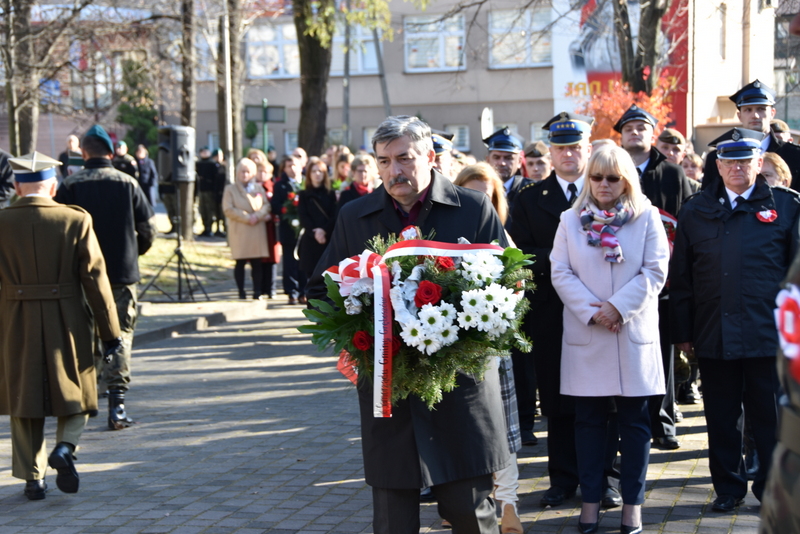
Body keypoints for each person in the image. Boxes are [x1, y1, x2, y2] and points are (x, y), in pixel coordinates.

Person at [307, 115, 510, 534]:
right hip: (389, 387)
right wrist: (358, 322)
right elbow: (321, 290)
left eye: (404, 158)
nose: (393, 171)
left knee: (470, 513)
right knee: (393, 516)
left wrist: (465, 327)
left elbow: (511, 286)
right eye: (383, 161)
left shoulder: (472, 208)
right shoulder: (354, 216)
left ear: (431, 157)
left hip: (458, 386)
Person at [670, 127, 800, 513]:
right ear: (719, 165)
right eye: (730, 160)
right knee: (722, 419)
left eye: (746, 160)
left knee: (770, 421)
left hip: (768, 336)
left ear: (760, 163)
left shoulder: (789, 206)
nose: (737, 167)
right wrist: (682, 333)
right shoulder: (695, 209)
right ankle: (728, 488)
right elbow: (682, 278)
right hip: (713, 332)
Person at [550, 144, 669, 534]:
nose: (603, 184)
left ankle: (632, 506)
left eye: (612, 178)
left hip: (632, 333)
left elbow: (654, 272)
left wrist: (618, 308)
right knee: (587, 424)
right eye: (597, 177)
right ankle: (589, 503)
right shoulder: (570, 220)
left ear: (626, 180)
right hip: (589, 335)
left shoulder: (647, 217)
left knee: (636, 424)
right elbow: (560, 272)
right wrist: (593, 310)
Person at [511, 112, 626, 509]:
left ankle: (606, 479)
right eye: (560, 148)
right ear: (550, 152)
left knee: (604, 400)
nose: (568, 155)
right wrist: (565, 261)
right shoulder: (529, 198)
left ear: (588, 149)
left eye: (575, 147)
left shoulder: (607, 191)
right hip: (550, 314)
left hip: (602, 311)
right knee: (558, 401)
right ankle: (562, 478)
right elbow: (522, 255)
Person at [0, 152, 122, 500]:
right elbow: (96, 283)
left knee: (24, 398)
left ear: (17, 187)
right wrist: (110, 333)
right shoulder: (75, 219)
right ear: (53, 186)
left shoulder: (1, 222)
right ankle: (66, 448)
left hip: (14, 319)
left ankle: (31, 479)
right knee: (78, 393)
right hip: (66, 318)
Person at [55, 124, 157, 431]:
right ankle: (117, 404)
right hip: (122, 275)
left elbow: (59, 230)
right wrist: (132, 252)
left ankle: (88, 400)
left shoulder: (70, 186)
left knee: (85, 336)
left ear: (83, 153)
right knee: (120, 334)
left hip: (82, 275)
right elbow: (149, 228)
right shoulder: (128, 183)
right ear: (111, 153)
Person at [615, 104, 693, 451]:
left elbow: (686, 223)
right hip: (619, 278)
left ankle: (662, 421)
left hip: (662, 280)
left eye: (641, 127)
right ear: (620, 134)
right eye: (628, 128)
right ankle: (626, 422)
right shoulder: (610, 171)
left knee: (660, 353)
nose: (635, 133)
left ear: (652, 133)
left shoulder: (673, 174)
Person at [454, 162, 523, 533]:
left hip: (492, 349)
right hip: (451, 350)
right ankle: (463, 503)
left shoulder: (503, 239)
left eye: (487, 196)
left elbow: (519, 287)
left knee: (502, 429)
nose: (479, 202)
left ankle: (509, 505)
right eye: (470, 194)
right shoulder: (442, 233)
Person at [703, 80, 800, 191]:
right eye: (748, 110)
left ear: (772, 113)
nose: (755, 115)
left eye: (761, 109)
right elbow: (707, 201)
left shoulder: (795, 155)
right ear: (739, 116)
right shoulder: (719, 157)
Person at [222, 158, 271, 300]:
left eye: (248, 171)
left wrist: (257, 215)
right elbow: (228, 209)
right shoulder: (230, 189)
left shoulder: (258, 188)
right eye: (242, 171)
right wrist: (246, 217)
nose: (244, 174)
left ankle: (257, 291)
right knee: (240, 261)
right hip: (241, 229)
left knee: (257, 263)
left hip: (256, 229)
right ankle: (241, 292)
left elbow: (266, 206)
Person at [297, 157, 337, 306]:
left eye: (320, 171)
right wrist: (315, 232)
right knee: (311, 278)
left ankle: (326, 308)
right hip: (311, 240)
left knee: (327, 278)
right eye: (314, 171)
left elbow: (334, 215)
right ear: (309, 174)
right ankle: (312, 308)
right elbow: (303, 216)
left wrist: (323, 230)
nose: (317, 174)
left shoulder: (330, 194)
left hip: (326, 240)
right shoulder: (304, 195)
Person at [271, 155, 305, 304]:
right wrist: (287, 210)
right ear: (284, 168)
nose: (292, 169)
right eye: (288, 166)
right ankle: (291, 292)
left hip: (305, 230)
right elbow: (275, 205)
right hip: (288, 229)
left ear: (301, 166)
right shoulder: (280, 185)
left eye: (294, 165)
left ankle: (304, 291)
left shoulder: (305, 183)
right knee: (289, 262)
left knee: (304, 262)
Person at [484, 128, 530, 229]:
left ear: (519, 162)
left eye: (508, 158)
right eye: (496, 157)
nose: (502, 163)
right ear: (487, 160)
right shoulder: (478, 188)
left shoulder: (530, 191)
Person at [254, 162, 279, 299]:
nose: (262, 174)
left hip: (271, 228)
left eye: (265, 172)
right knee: (260, 258)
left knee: (272, 258)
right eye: (259, 171)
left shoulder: (274, 187)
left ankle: (271, 288)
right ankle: (261, 288)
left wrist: (272, 215)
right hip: (258, 227)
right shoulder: (254, 188)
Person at [197, 147, 225, 237]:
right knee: (203, 210)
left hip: (211, 191)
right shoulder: (198, 163)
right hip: (201, 190)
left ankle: (212, 228)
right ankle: (206, 228)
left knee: (211, 210)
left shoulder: (214, 165)